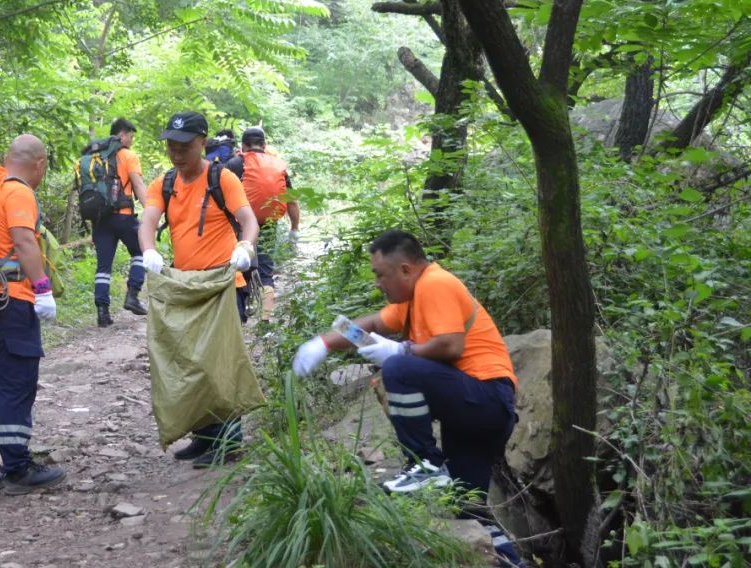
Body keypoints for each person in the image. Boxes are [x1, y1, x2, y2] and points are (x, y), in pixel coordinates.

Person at [291, 229, 517, 499]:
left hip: (487, 397)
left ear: (406, 269)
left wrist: (401, 350)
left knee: (399, 367)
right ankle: (493, 538)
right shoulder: (413, 298)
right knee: (467, 503)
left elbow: (451, 344)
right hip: (475, 409)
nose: (377, 283)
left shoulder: (435, 283)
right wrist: (324, 343)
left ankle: (424, 464)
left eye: (380, 274)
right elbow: (374, 326)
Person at [138, 111, 260, 467]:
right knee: (193, 361)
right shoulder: (164, 182)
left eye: (184, 146)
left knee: (220, 361)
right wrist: (148, 250)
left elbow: (248, 220)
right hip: (185, 285)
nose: (176, 152)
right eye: (171, 146)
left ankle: (229, 441)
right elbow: (147, 221)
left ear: (202, 143)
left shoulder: (221, 178)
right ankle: (205, 437)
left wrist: (245, 248)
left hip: (224, 282)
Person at [0, 134, 66, 496]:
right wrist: (42, 288)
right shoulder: (18, 192)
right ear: (40, 164)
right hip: (11, 303)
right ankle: (18, 468)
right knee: (16, 385)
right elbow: (22, 241)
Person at [224, 127, 300, 322]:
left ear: (243, 145)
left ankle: (239, 312)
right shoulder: (278, 166)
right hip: (268, 223)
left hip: (241, 224)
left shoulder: (235, 163)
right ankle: (266, 319)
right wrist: (294, 229)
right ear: (264, 146)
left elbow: (220, 196)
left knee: (237, 265)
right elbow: (292, 201)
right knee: (266, 271)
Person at [92, 117, 149, 328]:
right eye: (131, 136)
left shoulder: (95, 156)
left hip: (100, 219)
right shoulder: (128, 156)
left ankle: (102, 311)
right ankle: (132, 294)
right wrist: (151, 212)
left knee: (103, 266)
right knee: (141, 250)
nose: (131, 140)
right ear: (122, 134)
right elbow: (139, 185)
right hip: (123, 216)